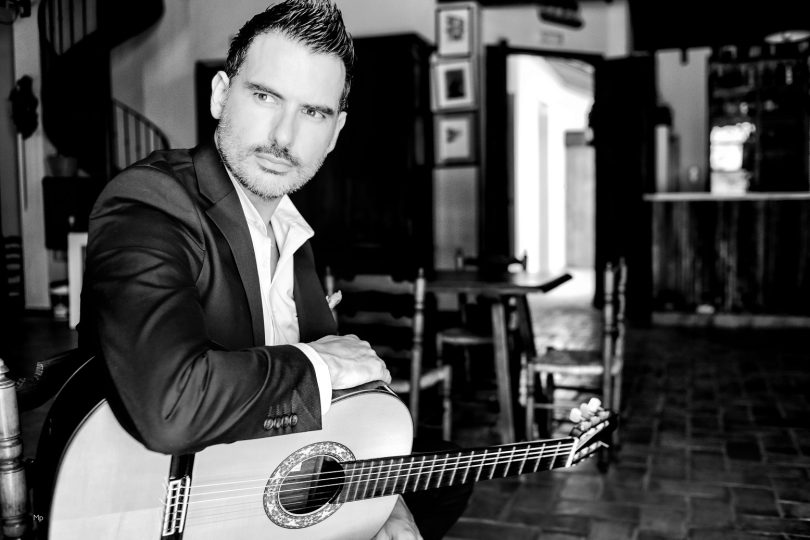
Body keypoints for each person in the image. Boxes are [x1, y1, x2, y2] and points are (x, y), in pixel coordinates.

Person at [79, 1, 471, 538]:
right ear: (221, 95)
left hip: (265, 474)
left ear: (336, 132)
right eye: (265, 96)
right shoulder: (151, 201)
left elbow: (330, 408)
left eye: (314, 113)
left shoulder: (293, 232)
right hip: (161, 506)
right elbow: (170, 407)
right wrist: (323, 364)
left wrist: (388, 506)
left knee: (445, 476)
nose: (284, 137)